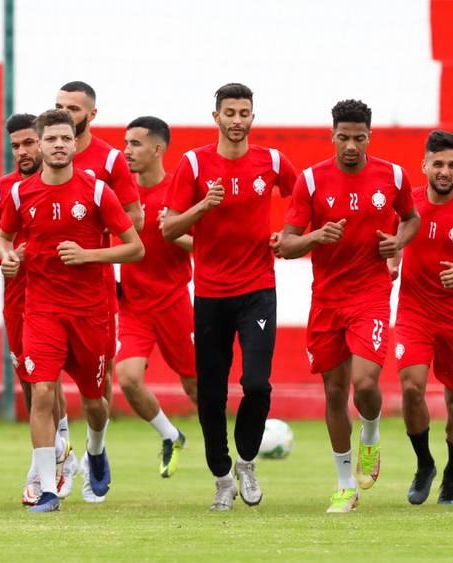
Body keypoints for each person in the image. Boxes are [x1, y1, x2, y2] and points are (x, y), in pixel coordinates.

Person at [274, 99, 420, 513]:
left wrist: (399, 243)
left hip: (370, 295)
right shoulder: (311, 181)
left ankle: (370, 436)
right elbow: (286, 243)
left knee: (365, 383)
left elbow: (410, 218)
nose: (351, 146)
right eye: (343, 138)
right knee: (334, 391)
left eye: (359, 138)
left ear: (369, 136)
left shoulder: (392, 175)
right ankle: (344, 484)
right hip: (326, 301)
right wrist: (316, 237)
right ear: (332, 136)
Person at [0, 109, 144, 512]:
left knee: (95, 402)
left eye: (66, 138)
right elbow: (2, 236)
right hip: (41, 310)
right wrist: (7, 257)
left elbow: (135, 247)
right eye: (51, 139)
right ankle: (47, 489)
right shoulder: (18, 194)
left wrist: (88, 255)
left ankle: (96, 450)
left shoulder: (97, 192)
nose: (59, 145)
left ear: (74, 143)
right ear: (39, 144)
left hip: (91, 313)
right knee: (42, 392)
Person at [162, 83, 297, 511]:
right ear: (216, 116)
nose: (237, 120)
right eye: (230, 113)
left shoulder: (272, 161)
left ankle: (247, 462)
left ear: (252, 117)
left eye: (244, 113)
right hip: (210, 294)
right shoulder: (193, 164)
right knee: (213, 391)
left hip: (258, 289)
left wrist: (287, 234)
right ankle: (221, 476)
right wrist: (203, 207)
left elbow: (303, 199)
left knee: (256, 383)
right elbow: (167, 229)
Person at [0, 113, 74, 504]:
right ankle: (56, 451)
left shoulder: (69, 185)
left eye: (30, 142)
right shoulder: (0, 191)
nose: (24, 151)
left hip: (66, 299)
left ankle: (48, 463)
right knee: (36, 384)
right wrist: (5, 257)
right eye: (16, 146)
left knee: (49, 380)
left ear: (45, 142)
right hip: (19, 303)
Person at [55, 82, 143, 500]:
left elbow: (135, 218)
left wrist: (91, 241)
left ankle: (95, 450)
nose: (64, 112)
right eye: (58, 106)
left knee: (99, 380)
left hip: (96, 286)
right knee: (44, 377)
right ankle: (56, 456)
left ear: (91, 114)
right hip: (44, 287)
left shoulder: (109, 159)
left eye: (73, 107)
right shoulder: (45, 151)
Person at [391, 131, 453, 506]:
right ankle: (424, 463)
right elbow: (390, 241)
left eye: (452, 165)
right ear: (424, 165)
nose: (444, 171)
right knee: (411, 387)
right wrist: (391, 261)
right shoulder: (405, 202)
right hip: (415, 311)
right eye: (437, 164)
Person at [118, 116, 198, 477]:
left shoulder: (179, 193)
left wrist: (173, 231)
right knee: (129, 378)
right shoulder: (121, 195)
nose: (127, 151)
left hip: (173, 303)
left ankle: (225, 451)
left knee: (195, 384)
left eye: (135, 144)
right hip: (134, 305)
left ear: (157, 149)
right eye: (125, 143)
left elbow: (203, 245)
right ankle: (170, 434)